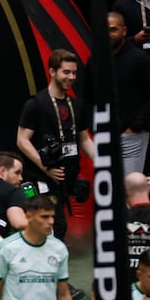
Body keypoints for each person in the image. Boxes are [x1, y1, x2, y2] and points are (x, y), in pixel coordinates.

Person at [16, 48, 95, 240]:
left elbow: (84, 138)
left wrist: (104, 164)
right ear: (52, 71)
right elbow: (22, 140)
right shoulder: (35, 104)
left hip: (64, 180)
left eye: (74, 73)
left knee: (57, 227)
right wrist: (45, 167)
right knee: (53, 225)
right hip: (40, 178)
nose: (71, 77)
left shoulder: (77, 105)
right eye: (66, 72)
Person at [107, 11, 150, 177]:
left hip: (132, 135)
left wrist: (135, 127)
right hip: (104, 134)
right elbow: (88, 97)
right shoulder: (95, 61)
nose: (108, 34)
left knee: (131, 184)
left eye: (113, 29)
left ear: (124, 31)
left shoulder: (139, 58)